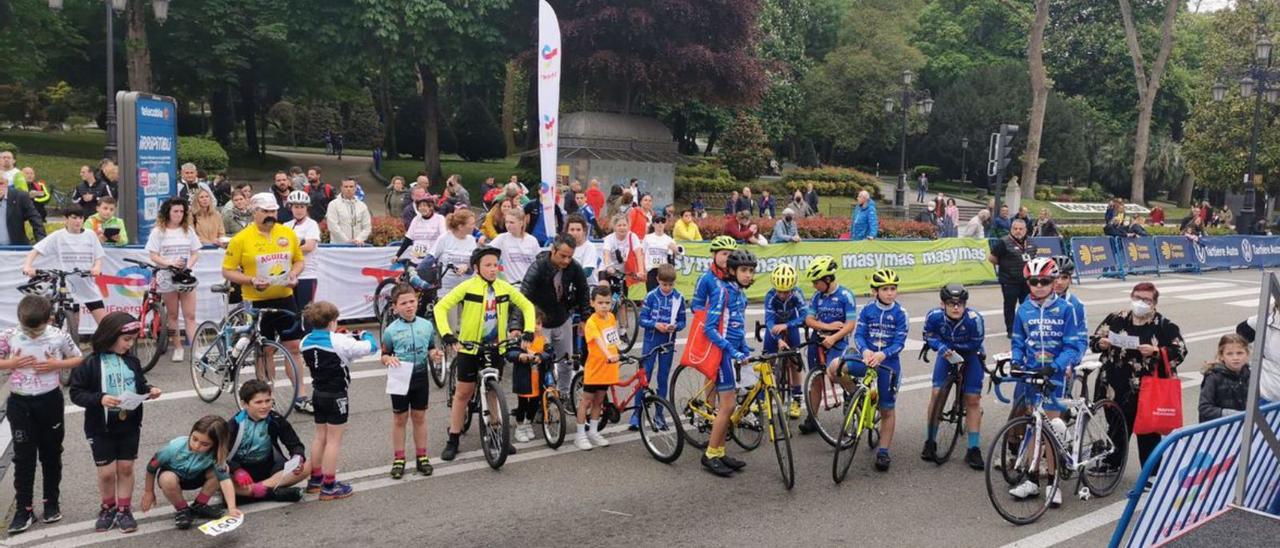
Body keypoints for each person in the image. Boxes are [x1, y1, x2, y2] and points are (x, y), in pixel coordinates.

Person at [434, 247, 536, 461]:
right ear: (476, 268)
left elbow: (527, 305)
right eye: (487, 265)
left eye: (495, 265)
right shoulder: (468, 286)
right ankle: (453, 437)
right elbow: (440, 308)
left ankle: (499, 433)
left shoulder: (503, 287)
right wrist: (447, 335)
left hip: (495, 347)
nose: (492, 269)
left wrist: (528, 329)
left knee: (492, 392)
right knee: (463, 392)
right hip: (470, 347)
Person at [68, 312, 162, 534]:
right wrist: (99, 398)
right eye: (126, 340)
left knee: (126, 468)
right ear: (110, 336)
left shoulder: (132, 361)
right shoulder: (89, 363)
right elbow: (76, 393)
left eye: (133, 340)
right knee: (107, 472)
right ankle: (107, 507)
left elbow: (140, 385)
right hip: (100, 426)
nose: (130, 345)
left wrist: (149, 391)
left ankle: (124, 510)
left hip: (129, 424)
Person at [1088, 282, 1185, 486]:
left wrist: (1157, 351)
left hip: (1146, 387)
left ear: (1154, 303)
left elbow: (1180, 350)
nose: (1141, 303)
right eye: (1138, 298)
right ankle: (1113, 461)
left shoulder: (1163, 325)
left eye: (1147, 300)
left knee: (1148, 431)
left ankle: (1152, 472)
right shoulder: (1117, 318)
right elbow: (1094, 340)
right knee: (1116, 425)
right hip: (1114, 384)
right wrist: (1101, 343)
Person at [222, 193, 310, 414]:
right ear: (254, 212)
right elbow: (227, 270)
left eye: (273, 211)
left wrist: (294, 274)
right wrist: (251, 280)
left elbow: (299, 260)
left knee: (294, 347)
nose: (270, 216)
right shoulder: (241, 238)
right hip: (256, 299)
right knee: (265, 350)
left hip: (285, 296)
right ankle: (265, 398)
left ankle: (300, 396)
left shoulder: (287, 233)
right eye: (265, 212)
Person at [1005, 257, 1083, 507]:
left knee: (1049, 429)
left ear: (1053, 282)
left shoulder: (1066, 309)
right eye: (1034, 281)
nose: (1039, 286)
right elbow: (1017, 341)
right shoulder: (1023, 310)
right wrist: (1016, 362)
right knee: (1032, 427)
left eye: (1045, 281)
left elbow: (1073, 346)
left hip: (1054, 376)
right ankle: (1030, 480)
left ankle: (1053, 482)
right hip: (1031, 375)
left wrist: (1056, 366)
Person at [2, 296, 83, 534]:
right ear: (19, 319)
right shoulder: (9, 335)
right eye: (27, 329)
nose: (32, 334)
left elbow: (78, 357)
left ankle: (51, 503)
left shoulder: (58, 335)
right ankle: (23, 509)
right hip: (19, 403)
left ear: (48, 319)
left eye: (36, 330)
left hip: (49, 401)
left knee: (51, 454)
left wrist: (56, 366)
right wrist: (12, 363)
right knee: (23, 457)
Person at [299, 301, 379, 500]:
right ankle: (329, 486)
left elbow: (330, 344)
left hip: (318, 392)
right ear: (332, 322)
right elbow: (372, 347)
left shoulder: (305, 340)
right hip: (337, 395)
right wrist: (363, 334)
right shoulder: (339, 341)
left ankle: (315, 480)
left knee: (320, 437)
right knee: (334, 441)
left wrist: (340, 335)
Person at [842, 269, 908, 471]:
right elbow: (859, 335)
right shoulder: (867, 310)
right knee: (838, 368)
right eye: (885, 289)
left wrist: (883, 354)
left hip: (888, 363)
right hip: (867, 358)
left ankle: (883, 451)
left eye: (893, 289)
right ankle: (855, 395)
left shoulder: (900, 313)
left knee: (887, 409)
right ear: (874, 291)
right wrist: (865, 350)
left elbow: (900, 342)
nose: (890, 293)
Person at [700, 249, 757, 476]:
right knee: (727, 406)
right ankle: (710, 454)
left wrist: (744, 349)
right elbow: (710, 329)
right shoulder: (722, 293)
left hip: (734, 353)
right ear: (732, 271)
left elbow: (737, 327)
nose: (748, 275)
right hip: (722, 354)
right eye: (743, 270)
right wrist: (732, 350)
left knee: (731, 405)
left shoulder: (741, 295)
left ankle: (720, 451)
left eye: (751, 271)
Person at [921, 284, 987, 469]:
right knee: (936, 395)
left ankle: (973, 449)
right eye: (951, 303)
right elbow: (928, 335)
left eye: (960, 303)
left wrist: (957, 351)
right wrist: (942, 348)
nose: (956, 307)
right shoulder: (934, 316)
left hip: (970, 355)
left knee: (972, 399)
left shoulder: (975, 320)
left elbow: (976, 344)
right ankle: (930, 441)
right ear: (943, 304)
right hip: (946, 354)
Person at [380, 285, 441, 478]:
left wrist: (434, 354)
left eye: (412, 301)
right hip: (400, 376)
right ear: (395, 307)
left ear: (417, 302)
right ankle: (399, 459)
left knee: (419, 417)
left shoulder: (426, 325)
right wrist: (388, 359)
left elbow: (431, 347)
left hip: (420, 376)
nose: (409, 306)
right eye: (403, 303)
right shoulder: (390, 330)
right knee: (400, 418)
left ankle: (422, 456)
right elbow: (384, 354)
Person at [140, 416, 241, 530]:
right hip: (174, 477)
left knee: (223, 470)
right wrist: (149, 491)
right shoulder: (174, 447)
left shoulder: (216, 454)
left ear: (216, 444)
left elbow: (225, 480)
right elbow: (151, 467)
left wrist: (232, 508)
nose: (197, 446)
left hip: (197, 477)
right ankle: (182, 509)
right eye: (194, 439)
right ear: (191, 433)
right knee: (167, 479)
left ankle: (200, 505)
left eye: (204, 444)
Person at [521, 235, 591, 397]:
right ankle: (541, 402)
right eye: (563, 256)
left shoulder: (574, 267)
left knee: (566, 363)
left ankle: (564, 395)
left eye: (570, 257)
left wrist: (584, 318)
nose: (566, 261)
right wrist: (520, 327)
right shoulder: (538, 267)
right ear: (553, 250)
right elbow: (523, 298)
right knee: (541, 364)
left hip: (562, 318)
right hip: (541, 323)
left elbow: (583, 290)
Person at [799, 255, 858, 435]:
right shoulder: (817, 297)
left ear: (827, 279)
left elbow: (850, 325)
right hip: (818, 342)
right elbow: (809, 320)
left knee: (835, 375)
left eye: (816, 281)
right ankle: (812, 418)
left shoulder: (845, 295)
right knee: (816, 380)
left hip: (837, 343)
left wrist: (834, 337)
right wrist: (827, 327)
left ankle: (851, 397)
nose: (814, 285)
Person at [225, 380, 308, 504]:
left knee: (309, 464)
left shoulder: (275, 419)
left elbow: (295, 444)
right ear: (244, 404)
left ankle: (255, 491)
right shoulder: (234, 424)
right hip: (243, 473)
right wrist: (237, 470)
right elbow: (221, 454)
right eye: (258, 402)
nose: (264, 406)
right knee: (216, 474)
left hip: (270, 471)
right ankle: (273, 492)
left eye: (268, 401)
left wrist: (298, 457)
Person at [22, 208, 108, 323]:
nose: (78, 221)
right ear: (66, 219)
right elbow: (35, 250)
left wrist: (96, 267)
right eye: (74, 217)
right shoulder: (58, 236)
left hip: (87, 284)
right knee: (74, 323)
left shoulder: (90, 235)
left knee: (104, 321)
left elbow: (98, 255)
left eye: (80, 218)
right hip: (68, 286)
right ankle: (73, 340)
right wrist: (28, 266)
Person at [146, 198, 203, 362]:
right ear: (167, 213)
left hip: (185, 277)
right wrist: (169, 263)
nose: (178, 214)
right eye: (175, 211)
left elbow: (195, 252)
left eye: (181, 211)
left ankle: (194, 347)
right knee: (172, 315)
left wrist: (188, 266)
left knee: (190, 315)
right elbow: (153, 255)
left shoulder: (188, 230)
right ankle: (177, 347)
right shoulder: (158, 231)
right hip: (166, 277)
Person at [633, 264, 685, 429]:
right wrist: (655, 324)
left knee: (663, 378)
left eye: (671, 284)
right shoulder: (650, 296)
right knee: (644, 375)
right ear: (658, 281)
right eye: (664, 284)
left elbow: (683, 321)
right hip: (651, 340)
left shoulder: (679, 297)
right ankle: (636, 413)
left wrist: (675, 326)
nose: (668, 288)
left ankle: (659, 414)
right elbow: (642, 320)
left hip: (668, 342)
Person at [575, 285, 621, 451]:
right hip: (595, 368)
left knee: (599, 401)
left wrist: (619, 351)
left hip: (608, 368)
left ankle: (594, 432)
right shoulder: (591, 322)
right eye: (600, 302)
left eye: (607, 303)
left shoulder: (611, 317)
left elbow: (613, 338)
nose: (604, 306)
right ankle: (580, 435)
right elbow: (598, 341)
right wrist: (608, 354)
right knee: (586, 401)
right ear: (592, 303)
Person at [763, 263, 809, 419]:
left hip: (791, 325)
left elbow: (805, 316)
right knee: (767, 361)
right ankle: (763, 397)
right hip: (774, 327)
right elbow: (768, 320)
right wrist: (777, 339)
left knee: (794, 362)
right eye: (779, 291)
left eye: (786, 291)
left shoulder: (797, 293)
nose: (782, 295)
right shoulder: (770, 296)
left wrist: (787, 325)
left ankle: (796, 398)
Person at [988, 218, 1033, 337]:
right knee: (1010, 306)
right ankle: (1011, 330)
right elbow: (992, 258)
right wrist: (1006, 265)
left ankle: (1026, 327)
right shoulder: (1003, 242)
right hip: (1009, 281)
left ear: (1025, 230)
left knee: (1027, 305)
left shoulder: (1031, 242)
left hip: (1027, 281)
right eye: (1015, 228)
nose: (1018, 231)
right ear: (1011, 229)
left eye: (1020, 229)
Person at [1199, 334, 1251, 422]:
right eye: (1229, 354)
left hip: (1243, 425)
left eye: (1240, 353)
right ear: (1221, 356)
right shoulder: (1213, 377)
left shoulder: (1249, 374)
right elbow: (1204, 408)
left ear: (1247, 354)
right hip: (1218, 428)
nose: (1235, 358)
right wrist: (1230, 414)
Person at [283, 191, 321, 311]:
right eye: (296, 207)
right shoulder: (286, 225)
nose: (299, 210)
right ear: (291, 208)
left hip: (307, 275)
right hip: (288, 274)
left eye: (302, 207)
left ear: (306, 208)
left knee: (306, 311)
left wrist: (289, 249)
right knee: (290, 312)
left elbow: (309, 247)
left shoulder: (312, 224)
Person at [431, 209, 479, 298]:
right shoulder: (444, 238)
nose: (474, 227)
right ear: (461, 226)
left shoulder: (472, 240)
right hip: (446, 291)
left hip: (467, 289)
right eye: (472, 224)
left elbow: (475, 263)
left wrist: (467, 267)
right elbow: (430, 258)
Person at [490, 209, 541, 287]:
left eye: (512, 222)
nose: (508, 225)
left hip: (529, 285)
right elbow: (485, 252)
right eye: (506, 222)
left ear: (521, 223)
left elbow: (538, 263)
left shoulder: (532, 240)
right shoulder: (502, 238)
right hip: (511, 285)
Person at [397, 195, 446, 267]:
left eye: (424, 206)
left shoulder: (439, 218)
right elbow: (408, 238)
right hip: (415, 258)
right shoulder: (416, 219)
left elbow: (443, 238)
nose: (422, 208)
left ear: (431, 207)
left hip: (431, 260)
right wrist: (397, 255)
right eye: (420, 206)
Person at [1, 174, 45, 245]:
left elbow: (35, 219)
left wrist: (42, 242)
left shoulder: (20, 196)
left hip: (16, 248)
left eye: (1, 183)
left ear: (7, 182)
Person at [601, 214, 645, 285]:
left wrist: (641, 271)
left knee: (621, 293)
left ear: (628, 226)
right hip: (608, 268)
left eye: (624, 225)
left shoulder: (633, 237)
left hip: (624, 271)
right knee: (604, 286)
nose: (622, 228)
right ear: (614, 227)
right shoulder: (609, 239)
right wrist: (608, 266)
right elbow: (606, 254)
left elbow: (639, 254)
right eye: (619, 225)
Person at [326, 178, 371, 245]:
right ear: (341, 188)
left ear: (355, 188)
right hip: (338, 247)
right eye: (346, 187)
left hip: (358, 246)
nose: (348, 189)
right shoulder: (333, 204)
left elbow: (367, 227)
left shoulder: (362, 206)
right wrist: (347, 241)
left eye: (351, 186)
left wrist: (358, 239)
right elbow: (333, 227)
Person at [642, 214, 678, 292]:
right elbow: (642, 254)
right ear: (653, 224)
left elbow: (678, 252)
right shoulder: (647, 238)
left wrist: (675, 249)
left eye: (662, 221)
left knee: (664, 293)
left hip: (664, 271)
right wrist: (643, 270)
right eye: (657, 221)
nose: (660, 224)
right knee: (652, 293)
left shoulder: (669, 239)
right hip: (651, 270)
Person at [565, 215, 600, 288]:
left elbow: (587, 272)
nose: (575, 233)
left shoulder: (589, 247)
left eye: (578, 230)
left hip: (588, 287)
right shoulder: (564, 247)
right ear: (567, 231)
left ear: (584, 231)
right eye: (572, 230)